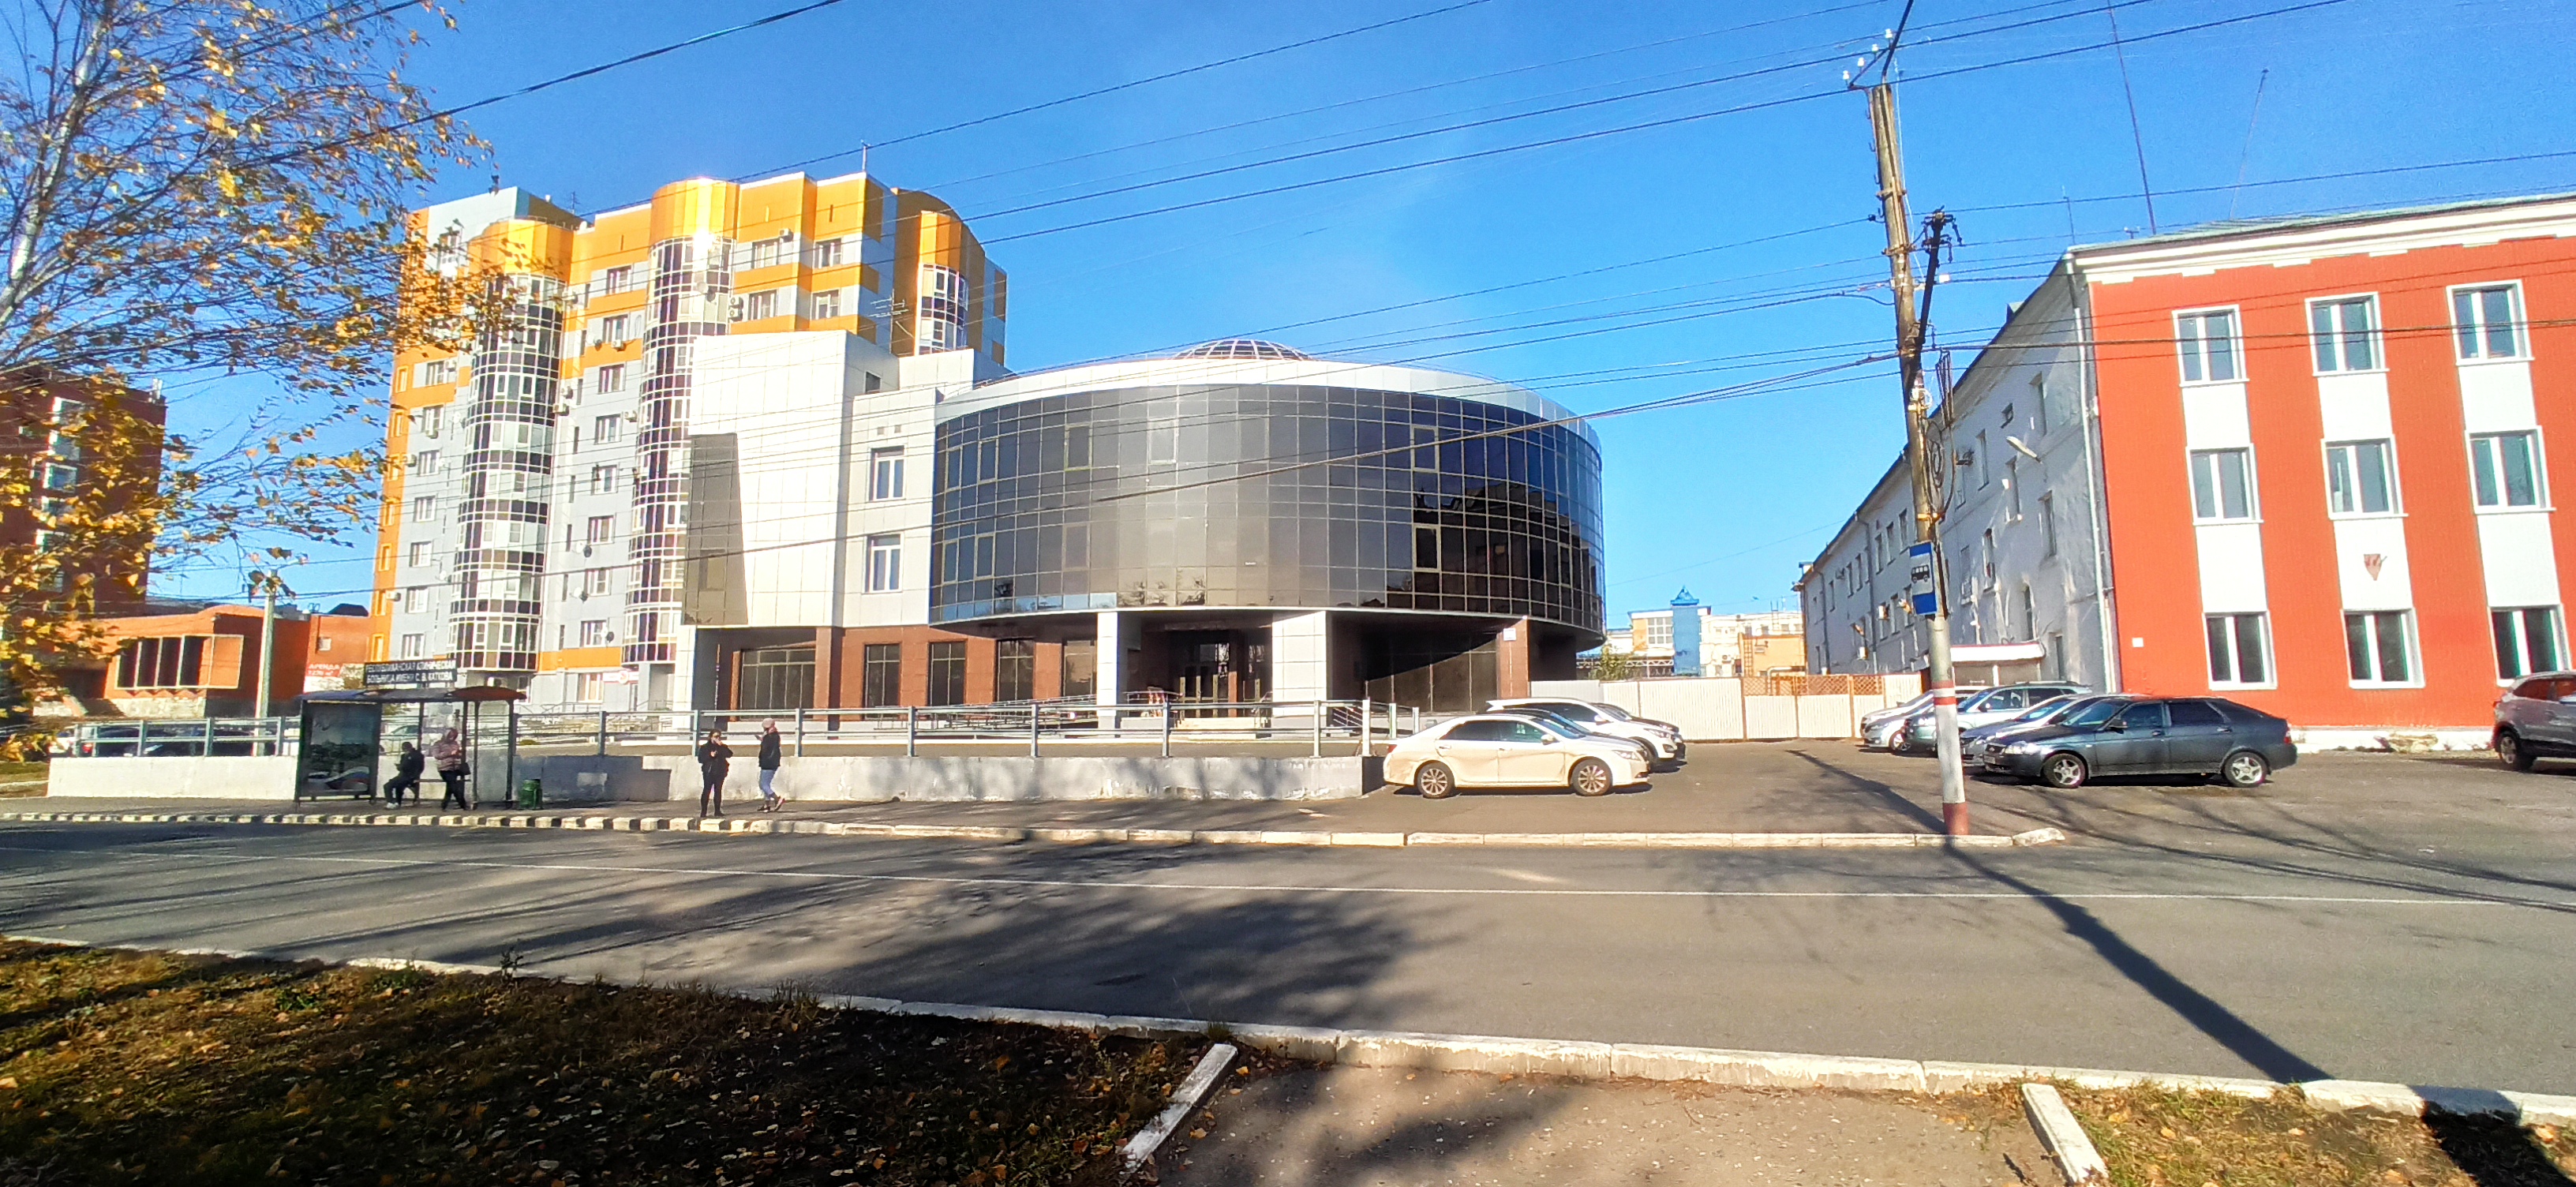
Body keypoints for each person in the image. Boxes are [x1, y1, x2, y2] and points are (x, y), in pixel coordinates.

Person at [695, 729, 732, 818]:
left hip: (720, 771)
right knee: (707, 790)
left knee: (718, 790)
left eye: (719, 737)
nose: (717, 738)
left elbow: (729, 754)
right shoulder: (705, 747)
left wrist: (722, 746)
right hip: (709, 771)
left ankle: (717, 811)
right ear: (711, 737)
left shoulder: (722, 747)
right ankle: (704, 811)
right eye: (716, 737)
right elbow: (700, 759)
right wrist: (710, 756)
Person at [432, 728, 470, 810]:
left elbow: (459, 755)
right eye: (450, 736)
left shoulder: (455, 743)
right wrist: (449, 753)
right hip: (445, 768)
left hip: (455, 768)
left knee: (451, 786)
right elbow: (437, 756)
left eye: (454, 736)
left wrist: (459, 754)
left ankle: (444, 805)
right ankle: (463, 805)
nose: (452, 738)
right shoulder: (438, 744)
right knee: (454, 786)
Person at [384, 741, 425, 806]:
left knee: (388, 786)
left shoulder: (417, 755)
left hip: (409, 777)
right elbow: (403, 767)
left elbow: (419, 768)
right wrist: (399, 767)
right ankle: (396, 802)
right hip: (403, 776)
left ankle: (391, 802)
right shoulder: (404, 756)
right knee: (396, 786)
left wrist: (415, 777)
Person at [756, 720, 784, 812]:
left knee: (763, 785)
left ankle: (777, 798)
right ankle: (766, 804)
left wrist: (763, 740)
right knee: (765, 783)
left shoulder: (769, 737)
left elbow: (766, 750)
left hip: (768, 763)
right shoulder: (775, 736)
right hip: (772, 762)